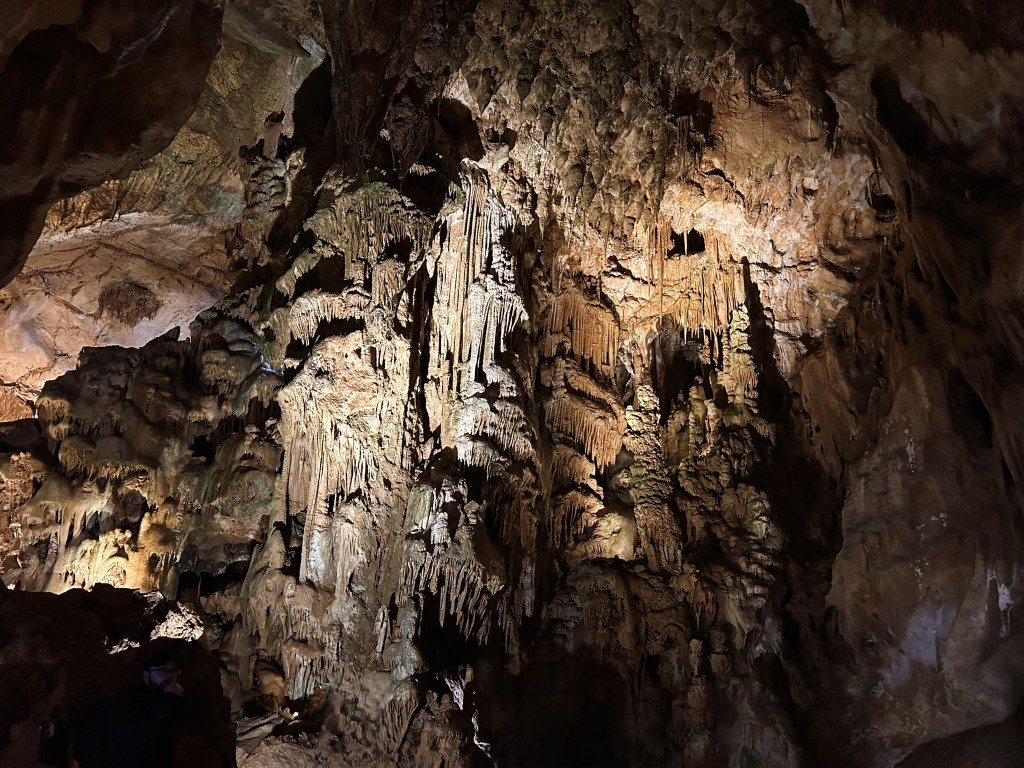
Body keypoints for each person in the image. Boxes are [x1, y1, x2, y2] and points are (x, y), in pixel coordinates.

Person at [73, 649, 185, 768]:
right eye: (162, 671)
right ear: (147, 676)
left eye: (173, 671)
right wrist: (169, 701)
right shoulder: (130, 702)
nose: (169, 677)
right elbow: (141, 741)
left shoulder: (161, 703)